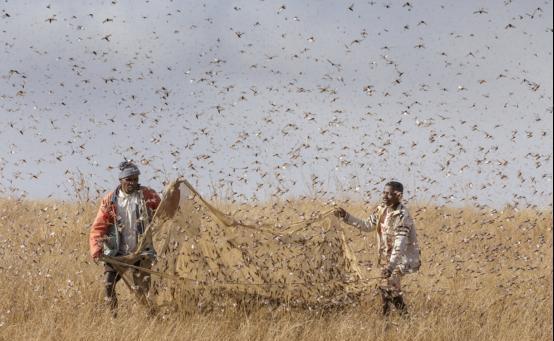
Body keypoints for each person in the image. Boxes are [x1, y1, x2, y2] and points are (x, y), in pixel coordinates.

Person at [334, 181, 420, 316]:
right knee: (386, 287)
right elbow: (367, 225)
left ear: (399, 196)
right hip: (387, 257)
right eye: (384, 193)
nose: (385, 196)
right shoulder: (381, 209)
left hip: (402, 258)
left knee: (389, 285)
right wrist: (346, 216)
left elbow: (400, 244)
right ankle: (391, 320)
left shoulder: (403, 216)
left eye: (390, 194)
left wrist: (390, 267)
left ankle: (399, 319)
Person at [89, 161, 161, 315]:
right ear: (121, 180)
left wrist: (174, 191)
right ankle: (113, 317)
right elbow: (99, 226)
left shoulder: (147, 195)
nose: (133, 183)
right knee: (109, 285)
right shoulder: (110, 200)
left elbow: (163, 209)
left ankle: (152, 318)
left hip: (140, 251)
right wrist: (96, 248)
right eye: (129, 179)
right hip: (116, 253)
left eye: (135, 179)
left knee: (143, 290)